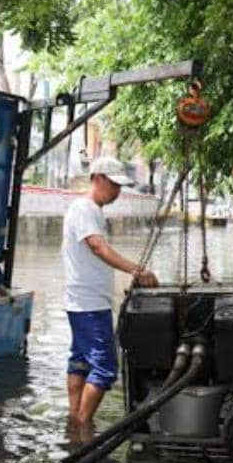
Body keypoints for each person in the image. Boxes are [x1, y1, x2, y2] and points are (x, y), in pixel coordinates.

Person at [63, 156, 158, 426]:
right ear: (98, 178)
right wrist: (136, 270)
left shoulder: (89, 210)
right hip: (90, 304)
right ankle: (83, 426)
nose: (117, 192)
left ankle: (74, 420)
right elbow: (98, 247)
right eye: (114, 185)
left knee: (80, 362)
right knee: (105, 369)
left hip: (81, 301)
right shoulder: (84, 208)